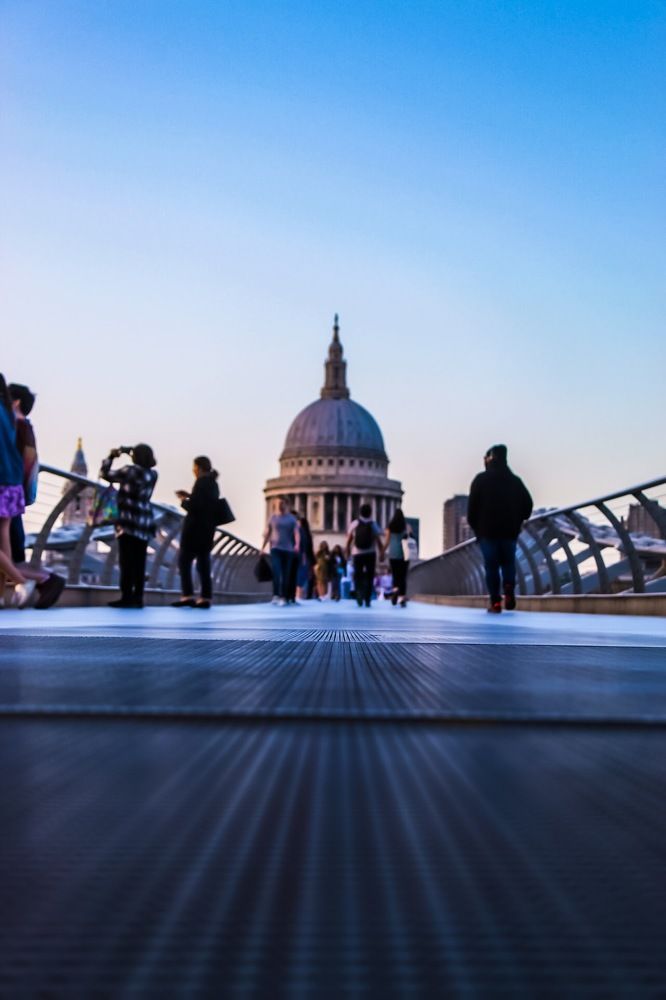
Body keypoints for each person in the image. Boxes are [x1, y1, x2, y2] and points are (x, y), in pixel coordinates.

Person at [8, 383, 65, 609]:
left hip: (8, 496)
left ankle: (44, 579)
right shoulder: (24, 428)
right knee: (11, 554)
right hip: (14, 497)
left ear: (16, 402)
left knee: (9, 554)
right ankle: (41, 580)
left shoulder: (17, 427)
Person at [467, 444, 533, 613]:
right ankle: (509, 587)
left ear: (489, 459)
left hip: (487, 532)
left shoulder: (480, 480)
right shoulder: (515, 481)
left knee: (491, 566)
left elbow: (472, 509)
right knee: (508, 563)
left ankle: (495, 601)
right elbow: (528, 505)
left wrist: (477, 529)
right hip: (509, 531)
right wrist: (518, 519)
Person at [100, 443, 158, 608]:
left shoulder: (129, 471)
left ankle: (126, 596)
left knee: (126, 561)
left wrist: (111, 456)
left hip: (128, 521)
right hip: (144, 521)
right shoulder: (153, 474)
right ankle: (138, 597)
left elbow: (105, 474)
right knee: (139, 562)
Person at [0, 374, 35, 608]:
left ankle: (22, 580)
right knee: (4, 540)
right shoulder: (10, 415)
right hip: (12, 483)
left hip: (1, 479)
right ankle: (2, 595)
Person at [172, 456, 220, 609]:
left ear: (198, 467)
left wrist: (184, 500)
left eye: (194, 467)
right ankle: (206, 597)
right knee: (203, 564)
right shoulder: (213, 483)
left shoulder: (201, 481)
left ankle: (188, 596)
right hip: (207, 530)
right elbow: (206, 504)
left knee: (184, 562)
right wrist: (190, 496)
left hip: (194, 531)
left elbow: (197, 507)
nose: (193, 470)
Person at [260, 498, 299, 606]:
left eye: (282, 503)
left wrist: (297, 545)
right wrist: (263, 547)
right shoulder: (272, 517)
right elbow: (268, 533)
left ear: (287, 505)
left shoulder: (292, 519)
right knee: (276, 573)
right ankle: (276, 595)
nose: (279, 505)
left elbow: (296, 533)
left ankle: (284, 596)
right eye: (278, 503)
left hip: (288, 550)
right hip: (275, 549)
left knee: (286, 574)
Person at [345, 502, 385, 608]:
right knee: (370, 576)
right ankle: (367, 598)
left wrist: (347, 551)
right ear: (370, 513)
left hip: (357, 553)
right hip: (370, 553)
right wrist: (382, 553)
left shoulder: (355, 523)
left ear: (360, 512)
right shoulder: (373, 524)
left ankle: (358, 593)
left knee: (358, 575)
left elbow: (349, 539)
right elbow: (378, 540)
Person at [384, 508, 409, 607]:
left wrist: (382, 551)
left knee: (395, 575)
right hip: (404, 554)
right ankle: (402, 597)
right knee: (402, 577)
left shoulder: (390, 527)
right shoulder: (406, 527)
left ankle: (395, 590)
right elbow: (409, 539)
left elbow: (386, 542)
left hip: (393, 554)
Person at [295, 513, 315, 601]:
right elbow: (310, 548)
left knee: (298, 576)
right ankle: (302, 595)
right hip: (306, 558)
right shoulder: (308, 535)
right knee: (304, 577)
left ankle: (298, 595)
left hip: (301, 557)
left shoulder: (300, 532)